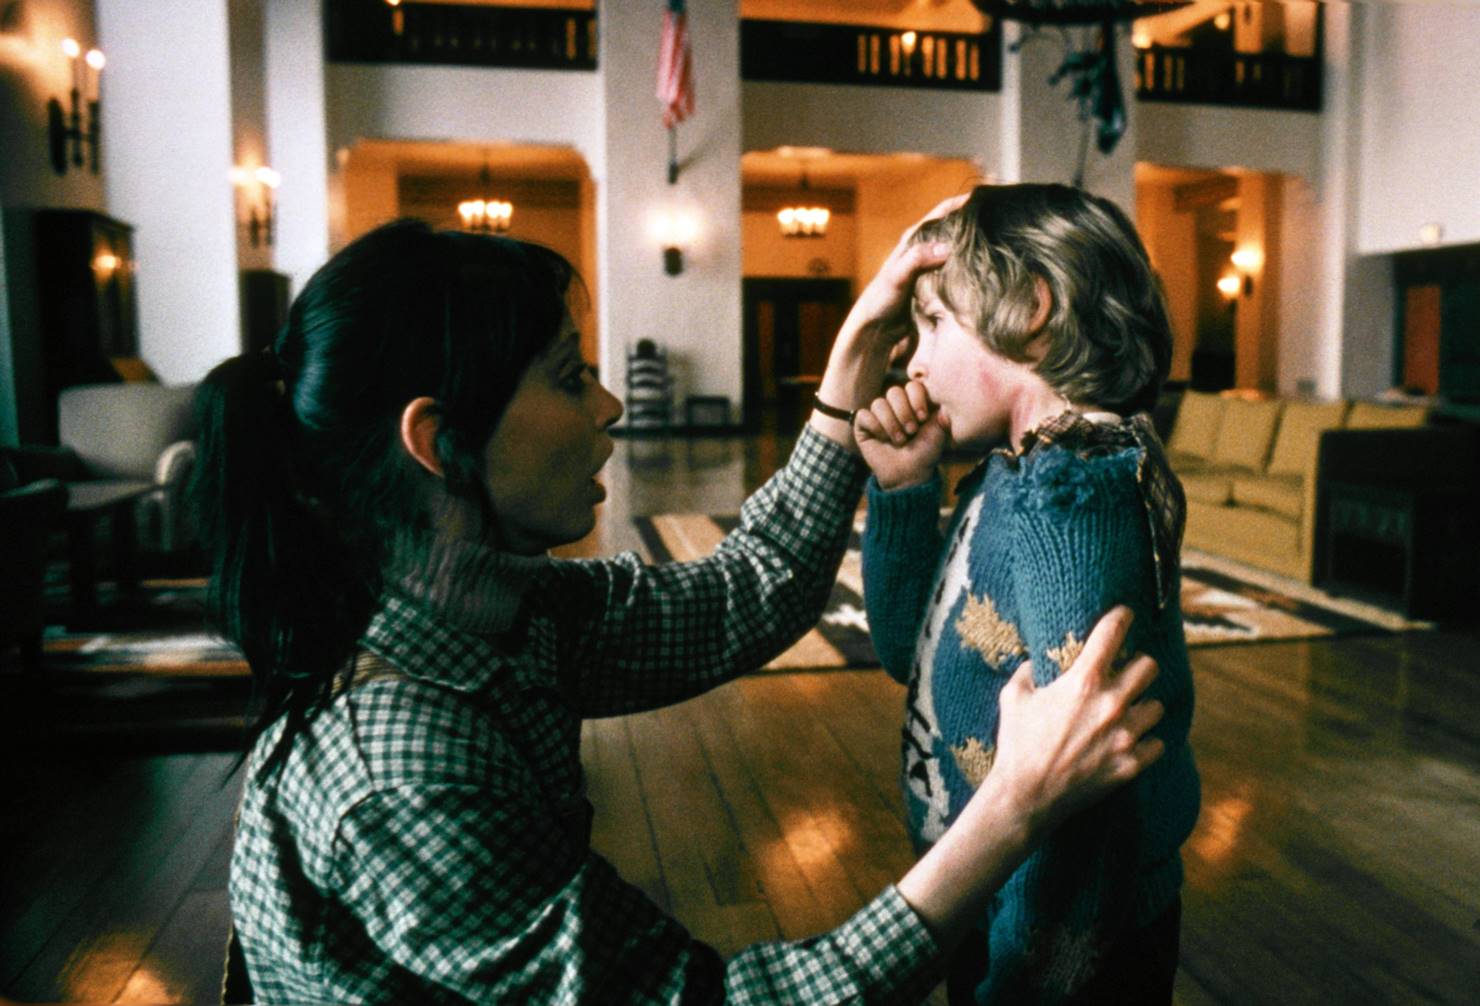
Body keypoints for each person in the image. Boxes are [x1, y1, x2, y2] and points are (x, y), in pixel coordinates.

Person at [193, 211, 1167, 1005]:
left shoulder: (501, 614)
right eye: (569, 376)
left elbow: (747, 588)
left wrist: (852, 361)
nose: (609, 405)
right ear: (438, 442)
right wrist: (1011, 810)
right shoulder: (399, 772)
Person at [853, 184, 1201, 1005]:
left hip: (1055, 936)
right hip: (993, 894)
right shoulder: (1013, 475)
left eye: (933, 323)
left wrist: (1028, 979)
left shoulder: (1072, 505)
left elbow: (1086, 805)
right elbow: (909, 651)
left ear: (1030, 310)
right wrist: (903, 489)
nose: (912, 361)